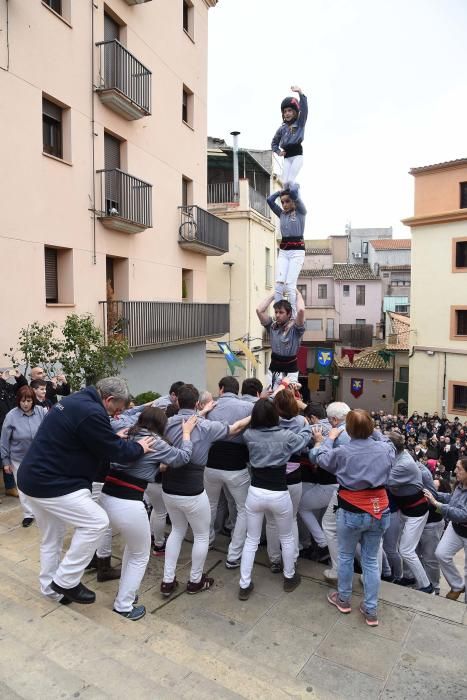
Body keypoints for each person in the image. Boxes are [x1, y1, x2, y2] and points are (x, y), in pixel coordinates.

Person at [17, 377, 155, 605]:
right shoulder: (92, 413)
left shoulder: (77, 401)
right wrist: (138, 447)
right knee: (97, 521)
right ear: (109, 399)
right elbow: (117, 452)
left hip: (32, 479)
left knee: (52, 538)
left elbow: (89, 438)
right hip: (51, 483)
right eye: (117, 410)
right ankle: (66, 580)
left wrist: (111, 438)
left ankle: (52, 591)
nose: (117, 416)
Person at [99, 407, 197, 620]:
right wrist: (187, 433)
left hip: (107, 496)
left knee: (132, 550)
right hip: (128, 501)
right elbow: (183, 458)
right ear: (161, 425)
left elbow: (140, 463)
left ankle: (127, 592)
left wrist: (155, 467)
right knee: (140, 555)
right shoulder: (155, 442)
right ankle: (124, 605)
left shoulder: (126, 433)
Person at [160, 384, 251, 596]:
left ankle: (167, 580)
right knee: (201, 536)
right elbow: (235, 428)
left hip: (168, 487)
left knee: (176, 531)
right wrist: (252, 415)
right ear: (198, 404)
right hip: (192, 489)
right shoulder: (206, 426)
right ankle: (195, 580)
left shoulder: (167, 423)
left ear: (176, 402)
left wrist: (201, 412)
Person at [316, 409, 394, 627]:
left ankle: (343, 599)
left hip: (351, 508)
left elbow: (322, 459)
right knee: (370, 560)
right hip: (380, 508)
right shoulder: (385, 449)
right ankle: (370, 609)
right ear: (370, 427)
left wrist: (328, 440)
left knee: (346, 555)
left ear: (348, 430)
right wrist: (374, 432)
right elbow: (389, 442)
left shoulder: (343, 451)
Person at [238, 398, 311, 600]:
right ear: (274, 416)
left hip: (255, 492)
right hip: (279, 492)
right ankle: (289, 577)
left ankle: (244, 584)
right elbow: (303, 441)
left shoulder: (249, 434)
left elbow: (243, 428)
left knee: (251, 540)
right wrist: (305, 424)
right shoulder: (286, 435)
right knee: (287, 537)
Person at [204, 376, 253, 569]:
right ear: (237, 390)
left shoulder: (210, 407)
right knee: (243, 509)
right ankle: (234, 554)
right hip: (237, 465)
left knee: (210, 504)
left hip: (212, 462)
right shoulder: (247, 408)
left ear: (221, 388)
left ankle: (206, 540)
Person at [266, 388, 309, 572]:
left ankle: (274, 559)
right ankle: (292, 558)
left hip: (272, 476)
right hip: (293, 476)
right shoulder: (301, 421)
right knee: (291, 519)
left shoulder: (269, 421)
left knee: (272, 522)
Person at [386, 432, 434, 593]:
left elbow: (381, 480)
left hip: (416, 511)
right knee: (403, 547)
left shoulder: (404, 464)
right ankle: (408, 577)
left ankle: (426, 586)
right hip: (405, 509)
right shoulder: (399, 455)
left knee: (406, 550)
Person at [312, 402, 351, 583]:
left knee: (329, 526)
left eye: (329, 420)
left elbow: (320, 459)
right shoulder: (357, 430)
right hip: (367, 492)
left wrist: (321, 442)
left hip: (344, 489)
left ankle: (338, 571)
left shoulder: (340, 435)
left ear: (334, 419)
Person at [0, 386, 48, 526]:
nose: (25, 404)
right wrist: (5, 461)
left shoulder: (41, 412)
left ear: (33, 400)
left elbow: (50, 431)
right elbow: (4, 440)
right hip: (18, 459)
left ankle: (43, 511)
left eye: (28, 400)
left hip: (39, 457)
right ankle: (28, 514)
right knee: (22, 488)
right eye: (22, 401)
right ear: (18, 401)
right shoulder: (11, 416)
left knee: (41, 484)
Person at [424, 458, 467, 602]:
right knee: (441, 554)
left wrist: (437, 504)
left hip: (462, 527)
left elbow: (462, 514)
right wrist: (434, 495)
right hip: (456, 528)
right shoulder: (460, 485)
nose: (455, 471)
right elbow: (452, 498)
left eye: (459, 468)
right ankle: (457, 586)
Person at [266, 186, 306, 316]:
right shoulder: (282, 214)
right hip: (284, 250)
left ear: (294, 201)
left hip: (297, 252)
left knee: (289, 286)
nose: (284, 204)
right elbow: (270, 200)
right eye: (282, 202)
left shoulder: (301, 211)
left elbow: (294, 193)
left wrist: (291, 187)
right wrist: (280, 192)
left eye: (287, 201)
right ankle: (278, 315)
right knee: (278, 286)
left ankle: (293, 317)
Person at [256, 292, 305, 391]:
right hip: (274, 368)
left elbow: (300, 310)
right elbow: (259, 310)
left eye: (281, 312)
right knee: (271, 398)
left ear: (289, 314)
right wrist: (275, 294)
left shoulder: (295, 329)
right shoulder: (272, 326)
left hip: (290, 370)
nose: (277, 315)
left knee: (287, 400)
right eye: (276, 312)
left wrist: (298, 295)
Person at [271, 86, 308, 187]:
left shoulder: (299, 123)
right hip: (287, 157)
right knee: (285, 183)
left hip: (297, 155)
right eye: (285, 111)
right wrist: (278, 151)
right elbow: (274, 143)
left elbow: (304, 110)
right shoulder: (282, 129)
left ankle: (296, 194)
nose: (287, 113)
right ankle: (287, 201)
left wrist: (300, 93)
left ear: (295, 112)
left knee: (291, 180)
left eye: (290, 111)